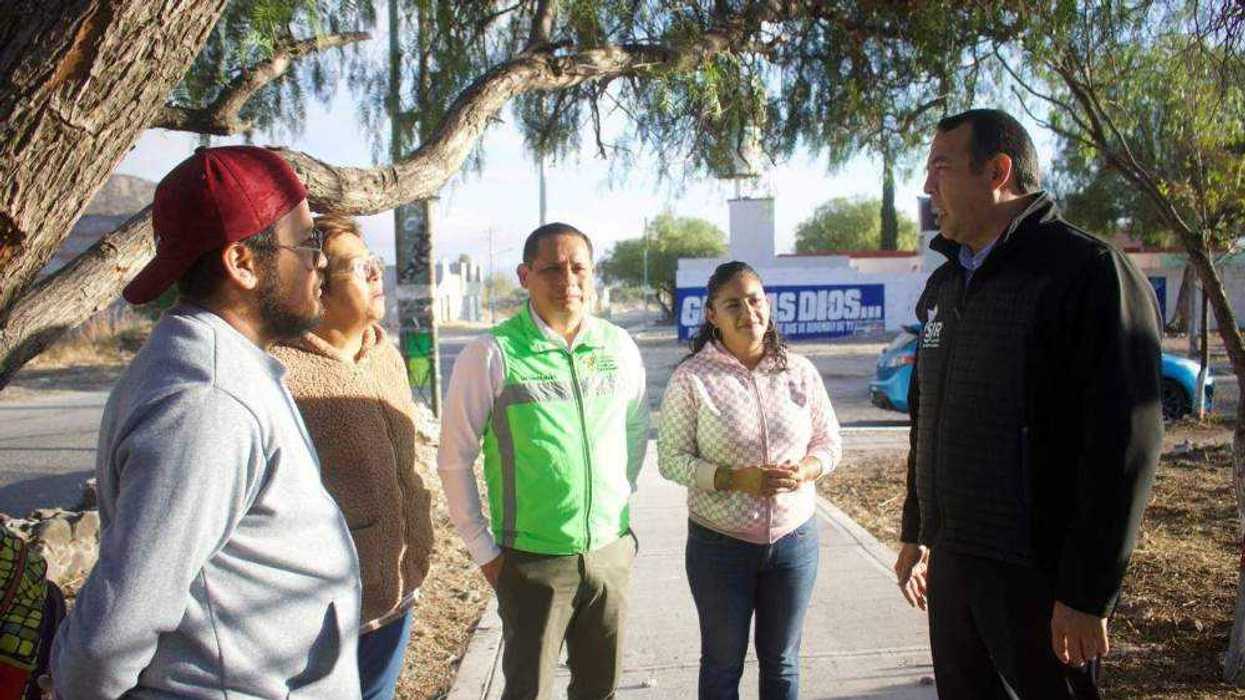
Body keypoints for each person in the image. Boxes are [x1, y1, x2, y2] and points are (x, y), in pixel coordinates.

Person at [50, 146, 363, 699]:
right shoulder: (208, 403)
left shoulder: (229, 365)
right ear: (242, 262)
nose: (321, 261)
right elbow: (113, 634)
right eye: (308, 241)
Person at [895, 108, 1163, 698]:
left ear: (997, 170)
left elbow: (1127, 444)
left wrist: (1088, 593)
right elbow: (927, 417)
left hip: (1040, 580)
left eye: (941, 167)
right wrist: (917, 530)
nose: (928, 186)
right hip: (956, 566)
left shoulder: (1086, 272)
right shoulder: (945, 285)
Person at [437, 222, 649, 699]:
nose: (567, 280)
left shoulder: (618, 346)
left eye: (578, 268)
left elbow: (636, 430)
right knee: (528, 691)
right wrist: (485, 553)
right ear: (524, 275)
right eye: (552, 268)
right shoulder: (491, 353)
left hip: (609, 553)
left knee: (601, 689)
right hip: (531, 561)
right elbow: (454, 460)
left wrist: (617, 506)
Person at [658, 261, 842, 700]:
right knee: (722, 665)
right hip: (720, 546)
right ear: (712, 315)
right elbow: (670, 459)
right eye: (732, 304)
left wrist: (806, 470)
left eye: (755, 300)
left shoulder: (799, 371)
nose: (748, 312)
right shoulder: (692, 379)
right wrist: (731, 478)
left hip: (795, 542)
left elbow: (830, 442)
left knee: (782, 662)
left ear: (768, 304)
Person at [271, 214, 435, 700]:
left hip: (398, 596)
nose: (377, 276)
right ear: (317, 283)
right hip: (325, 622)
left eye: (375, 264)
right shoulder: (281, 374)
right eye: (361, 268)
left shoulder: (385, 354)